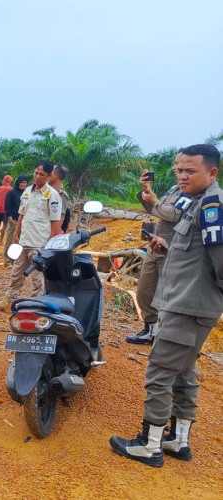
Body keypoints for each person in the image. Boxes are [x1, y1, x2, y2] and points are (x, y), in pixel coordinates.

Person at [110, 144, 223, 468]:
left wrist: (210, 301)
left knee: (159, 372)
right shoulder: (198, 202)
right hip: (187, 303)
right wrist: (168, 244)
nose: (182, 175)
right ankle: (178, 439)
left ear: (211, 172)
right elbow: (199, 252)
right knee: (184, 371)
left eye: (190, 170)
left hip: (189, 307)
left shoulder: (212, 205)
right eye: (178, 169)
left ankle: (150, 444)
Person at [128, 153, 188, 344]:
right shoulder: (173, 190)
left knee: (167, 295)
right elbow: (155, 210)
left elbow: (175, 214)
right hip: (155, 247)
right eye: (175, 164)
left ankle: (166, 336)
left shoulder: (192, 193)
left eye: (179, 164)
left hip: (172, 250)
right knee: (144, 291)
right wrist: (146, 191)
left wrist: (155, 201)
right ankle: (150, 330)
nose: (175, 168)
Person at [0, 160, 62, 310]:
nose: (37, 177)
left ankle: (37, 305)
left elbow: (55, 222)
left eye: (41, 174)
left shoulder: (52, 196)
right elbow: (22, 214)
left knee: (37, 277)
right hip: (24, 241)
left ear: (49, 176)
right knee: (16, 272)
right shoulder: (28, 191)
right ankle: (9, 300)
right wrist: (16, 235)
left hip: (39, 243)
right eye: (36, 173)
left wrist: (50, 243)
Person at [2, 174, 28, 267]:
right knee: (10, 240)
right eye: (21, 182)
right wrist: (9, 217)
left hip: (24, 222)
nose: (23, 184)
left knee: (20, 242)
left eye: (25, 183)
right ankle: (7, 261)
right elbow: (7, 206)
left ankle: (16, 260)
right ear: (18, 183)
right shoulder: (11, 193)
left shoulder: (27, 194)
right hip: (14, 220)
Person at [49, 164, 70, 233]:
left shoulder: (61, 194)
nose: (48, 175)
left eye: (50, 173)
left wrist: (51, 237)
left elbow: (61, 218)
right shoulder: (50, 192)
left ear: (55, 176)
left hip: (53, 233)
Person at [0, 175, 13, 244]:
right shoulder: (11, 189)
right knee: (5, 225)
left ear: (3, 180)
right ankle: (1, 240)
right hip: (6, 210)